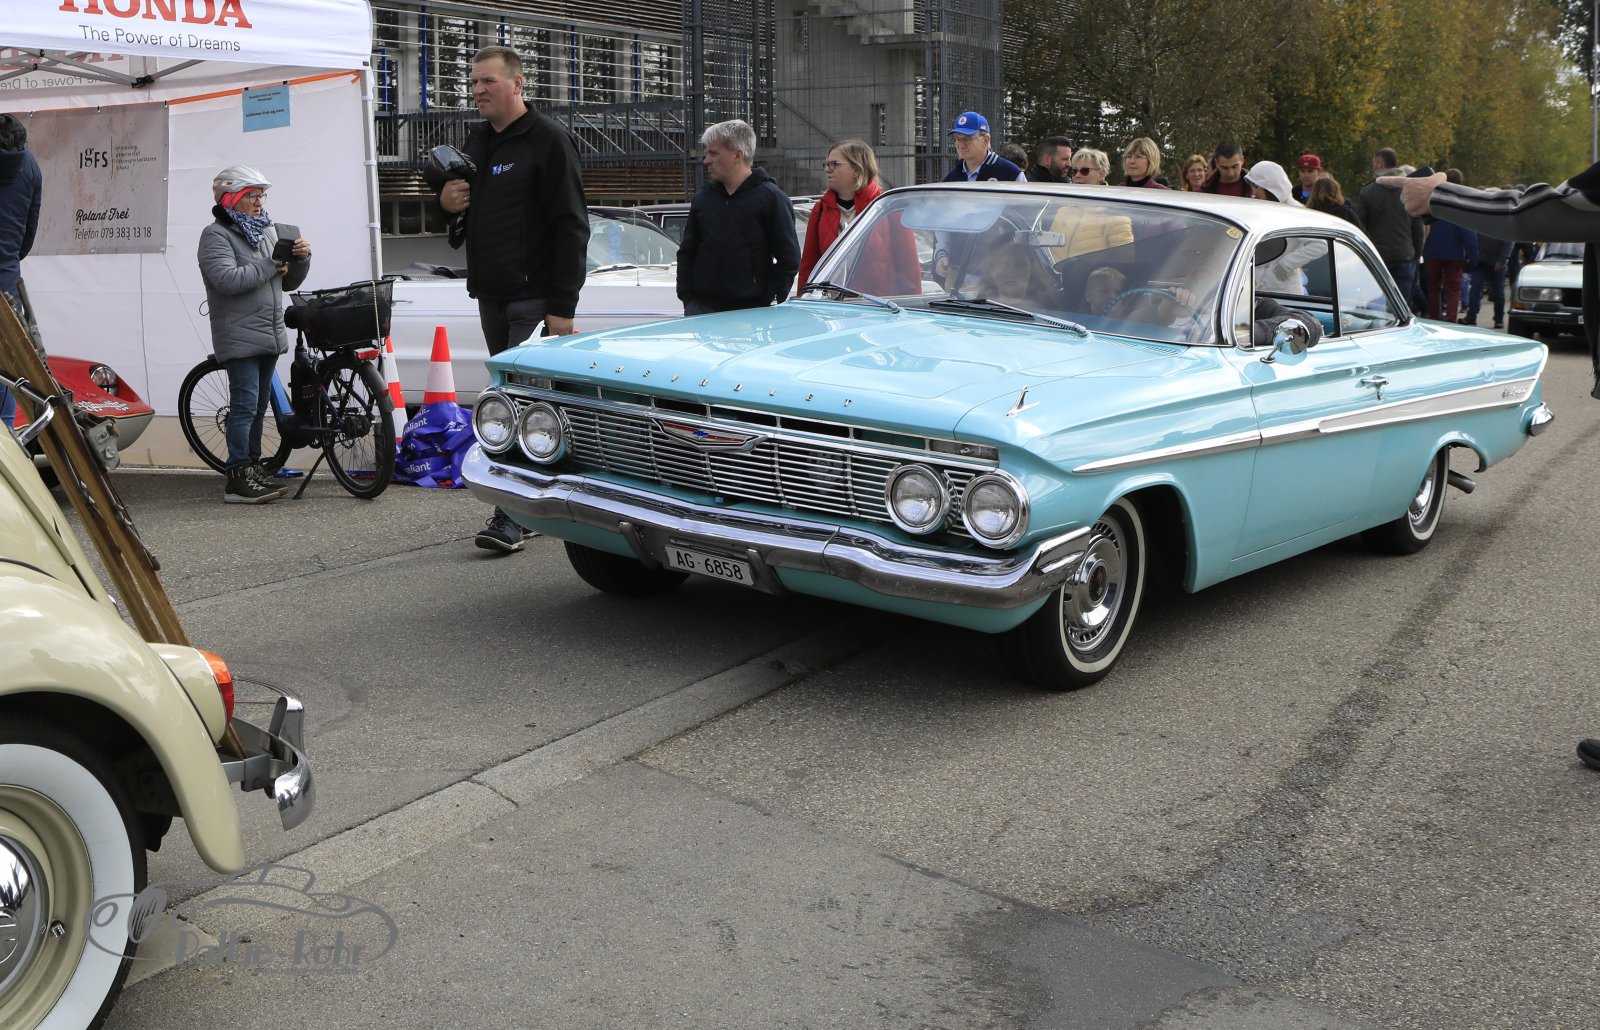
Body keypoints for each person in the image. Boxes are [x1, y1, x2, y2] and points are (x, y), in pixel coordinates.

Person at [438, 44, 590, 552]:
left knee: (516, 402)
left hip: (535, 296)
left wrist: (562, 308)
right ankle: (538, 502)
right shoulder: (477, 141)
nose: (478, 90)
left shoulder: (548, 140)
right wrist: (444, 204)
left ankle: (511, 517)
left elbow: (572, 227)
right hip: (491, 293)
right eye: (474, 82)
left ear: (518, 83)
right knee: (514, 401)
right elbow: (464, 212)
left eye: (488, 81)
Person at [1398, 163, 1600, 400]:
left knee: (1452, 289)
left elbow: (1534, 213)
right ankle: (1457, 318)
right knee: (1455, 290)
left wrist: (1436, 196)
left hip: (1465, 259)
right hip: (1467, 260)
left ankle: (1458, 318)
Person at [196, 165, 309, 504]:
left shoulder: (267, 232)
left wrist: (301, 259)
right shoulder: (215, 235)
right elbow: (227, 280)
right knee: (245, 407)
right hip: (239, 334)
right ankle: (237, 478)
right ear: (230, 199)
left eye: (262, 195)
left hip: (268, 333)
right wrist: (269, 265)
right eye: (252, 196)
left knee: (258, 408)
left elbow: (287, 282)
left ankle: (253, 470)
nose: (260, 202)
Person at [677, 119, 800, 319]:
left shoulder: (772, 199)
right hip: (702, 312)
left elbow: (789, 259)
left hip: (751, 314)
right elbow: (687, 252)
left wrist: (768, 301)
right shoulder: (703, 199)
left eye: (713, 153)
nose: (706, 160)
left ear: (737, 155)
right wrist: (688, 298)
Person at [798, 139, 893, 288]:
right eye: (826, 164)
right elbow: (809, 265)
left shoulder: (887, 207)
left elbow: (907, 266)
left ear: (857, 169)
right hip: (831, 299)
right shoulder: (820, 209)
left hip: (876, 300)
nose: (827, 169)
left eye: (834, 164)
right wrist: (803, 299)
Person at [0, 113, 42, 429]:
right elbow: (28, 237)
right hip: (6, 283)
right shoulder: (31, 167)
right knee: (6, 367)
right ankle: (6, 440)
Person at [1244, 161, 1326, 295]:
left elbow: (1320, 244)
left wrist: (1286, 264)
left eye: (1256, 186)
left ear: (1270, 186)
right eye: (1252, 186)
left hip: (1284, 293)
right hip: (1258, 290)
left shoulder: (1295, 211)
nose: (1254, 191)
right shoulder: (1263, 208)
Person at [1356, 147, 1425, 304]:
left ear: (1380, 164)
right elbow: (1418, 228)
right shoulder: (1410, 190)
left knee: (1377, 302)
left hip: (1378, 255)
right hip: (1405, 254)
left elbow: (1360, 226)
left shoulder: (1368, 191)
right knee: (1401, 303)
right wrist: (1416, 253)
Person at [1419, 170, 1477, 322]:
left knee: (1433, 288)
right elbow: (1468, 233)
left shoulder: (1431, 199)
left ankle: (1434, 318)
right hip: (1455, 253)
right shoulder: (1462, 203)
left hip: (1432, 251)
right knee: (1453, 289)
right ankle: (1451, 319)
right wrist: (1473, 257)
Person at [941, 112, 1026, 183]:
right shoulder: (951, 179)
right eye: (958, 139)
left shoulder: (1011, 174)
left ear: (985, 140)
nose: (962, 145)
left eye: (967, 139)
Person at [1463, 218, 1511, 328]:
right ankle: (1471, 316)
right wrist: (1471, 257)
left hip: (1497, 263)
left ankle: (1499, 319)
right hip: (1479, 262)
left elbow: (1508, 242)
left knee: (1498, 292)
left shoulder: (1504, 223)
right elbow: (1471, 238)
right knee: (1475, 289)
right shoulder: (1479, 220)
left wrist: (1502, 260)